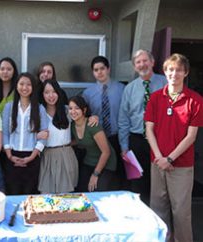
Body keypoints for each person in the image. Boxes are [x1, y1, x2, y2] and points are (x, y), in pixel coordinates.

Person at [145, 54, 203, 242]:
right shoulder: (155, 98)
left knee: (181, 213)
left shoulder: (195, 100)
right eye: (170, 69)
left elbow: (191, 136)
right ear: (165, 71)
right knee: (158, 210)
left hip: (181, 166)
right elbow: (149, 130)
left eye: (178, 70)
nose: (174, 73)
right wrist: (160, 158)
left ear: (185, 73)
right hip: (157, 163)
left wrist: (169, 158)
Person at [118, 49, 167, 204]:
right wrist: (124, 146)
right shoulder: (130, 89)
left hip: (161, 140)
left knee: (160, 182)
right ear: (134, 67)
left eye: (145, 60)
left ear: (152, 62)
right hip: (137, 140)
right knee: (138, 183)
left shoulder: (166, 84)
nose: (142, 64)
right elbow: (124, 119)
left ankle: (160, 218)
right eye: (138, 62)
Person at [83, 56, 125, 189]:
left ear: (108, 69)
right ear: (93, 72)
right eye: (96, 70)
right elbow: (82, 116)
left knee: (117, 178)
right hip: (97, 140)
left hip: (116, 138)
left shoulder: (122, 89)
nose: (99, 72)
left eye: (102, 68)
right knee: (100, 178)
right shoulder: (88, 93)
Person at [3, 72, 48, 195]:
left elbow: (44, 136)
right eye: (21, 84)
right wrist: (10, 156)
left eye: (28, 84)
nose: (24, 87)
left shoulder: (39, 109)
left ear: (33, 87)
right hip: (12, 156)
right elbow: (5, 133)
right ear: (16, 86)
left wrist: (32, 157)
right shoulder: (9, 107)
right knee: (13, 193)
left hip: (32, 157)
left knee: (30, 194)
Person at [69, 96, 117, 192]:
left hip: (107, 163)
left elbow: (106, 152)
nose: (73, 111)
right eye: (70, 108)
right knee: (81, 189)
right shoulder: (72, 126)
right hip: (89, 161)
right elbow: (79, 140)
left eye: (77, 108)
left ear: (84, 110)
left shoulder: (92, 125)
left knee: (97, 189)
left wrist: (95, 174)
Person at [38, 79, 79, 193]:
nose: (51, 95)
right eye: (46, 92)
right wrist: (37, 136)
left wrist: (93, 117)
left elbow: (82, 123)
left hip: (66, 154)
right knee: (46, 196)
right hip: (47, 156)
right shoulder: (38, 113)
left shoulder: (67, 110)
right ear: (42, 94)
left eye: (54, 91)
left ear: (59, 92)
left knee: (66, 197)